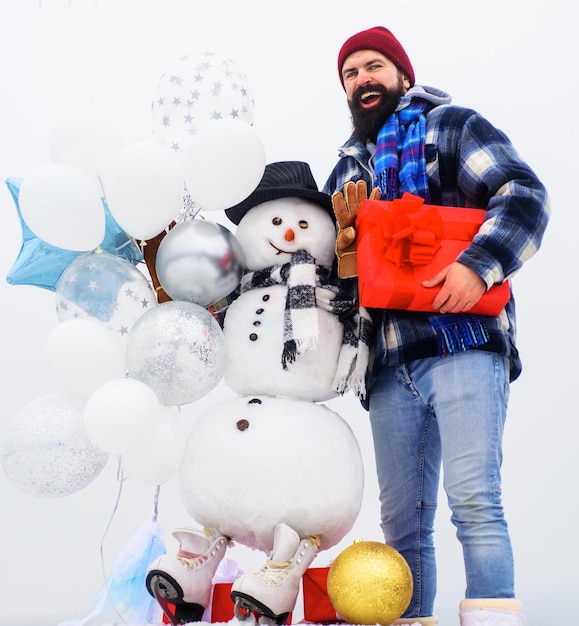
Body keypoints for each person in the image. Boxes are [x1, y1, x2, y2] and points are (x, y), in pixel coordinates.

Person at [323, 26, 550, 626]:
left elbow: (523, 194)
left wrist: (478, 267)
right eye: (350, 74)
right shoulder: (347, 170)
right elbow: (327, 268)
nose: (361, 80)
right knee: (403, 521)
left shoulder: (450, 126)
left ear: (402, 74)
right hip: (391, 363)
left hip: (465, 343)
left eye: (373, 66)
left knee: (474, 501)